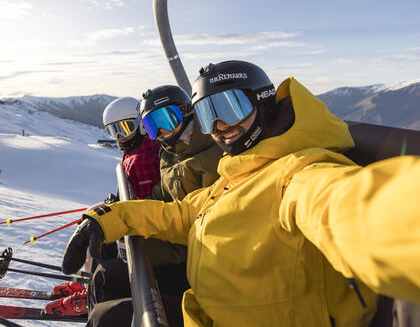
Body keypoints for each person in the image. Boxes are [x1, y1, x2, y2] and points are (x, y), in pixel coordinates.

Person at [61, 60, 420, 326]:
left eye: (231, 108)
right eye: (208, 115)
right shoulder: (235, 174)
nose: (220, 127)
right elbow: (180, 214)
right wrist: (109, 218)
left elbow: (357, 208)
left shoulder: (297, 174)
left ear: (262, 103)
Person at [87, 85, 223, 327]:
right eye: (152, 125)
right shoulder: (171, 153)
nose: (160, 131)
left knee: (107, 306)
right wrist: (117, 216)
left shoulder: (211, 156)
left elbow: (190, 221)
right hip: (182, 247)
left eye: (167, 120)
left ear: (187, 111)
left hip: (195, 261)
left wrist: (136, 235)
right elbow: (158, 199)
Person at [45, 97, 161, 318]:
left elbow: (146, 204)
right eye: (113, 131)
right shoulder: (138, 151)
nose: (119, 137)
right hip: (139, 226)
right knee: (95, 226)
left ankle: (92, 290)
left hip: (147, 238)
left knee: (102, 240)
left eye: (125, 128)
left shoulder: (142, 158)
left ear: (142, 126)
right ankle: (89, 285)